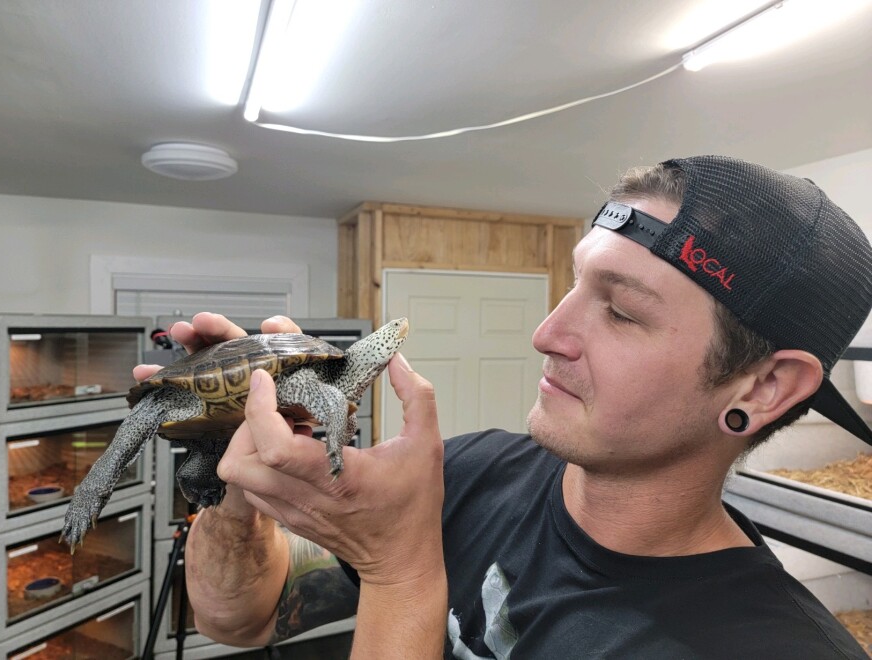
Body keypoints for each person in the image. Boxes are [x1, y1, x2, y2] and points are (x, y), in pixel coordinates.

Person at [136, 155, 872, 658]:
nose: (547, 333)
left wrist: (399, 570)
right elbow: (240, 618)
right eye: (575, 284)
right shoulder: (472, 471)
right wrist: (236, 484)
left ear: (763, 388)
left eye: (620, 312)